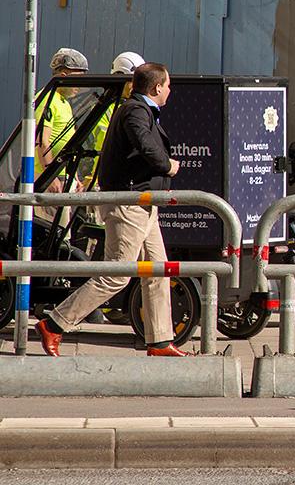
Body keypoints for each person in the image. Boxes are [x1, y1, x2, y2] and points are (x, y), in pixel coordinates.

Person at [36, 62, 187, 357]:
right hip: (129, 204)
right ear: (157, 87)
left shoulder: (142, 111)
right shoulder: (135, 111)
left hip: (145, 204)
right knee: (117, 273)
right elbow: (145, 145)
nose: (169, 91)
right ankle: (55, 323)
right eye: (167, 85)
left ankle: (159, 341)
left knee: (158, 271)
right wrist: (168, 165)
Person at [80, 51, 145, 188]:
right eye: (132, 81)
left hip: (121, 178)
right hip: (104, 178)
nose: (135, 86)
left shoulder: (135, 107)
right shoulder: (105, 108)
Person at [36, 48, 88, 195]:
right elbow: (42, 141)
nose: (81, 85)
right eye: (78, 79)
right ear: (63, 76)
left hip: (62, 175)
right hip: (47, 176)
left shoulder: (64, 103)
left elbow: (68, 144)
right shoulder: (47, 99)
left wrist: (75, 176)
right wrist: (49, 177)